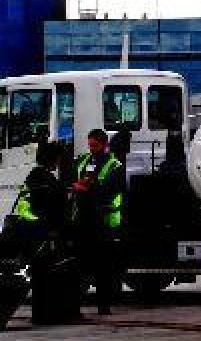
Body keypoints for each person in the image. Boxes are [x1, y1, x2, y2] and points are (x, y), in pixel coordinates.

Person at [12, 141, 80, 324]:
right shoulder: (46, 180)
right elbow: (52, 207)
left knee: (40, 274)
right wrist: (53, 230)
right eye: (58, 158)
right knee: (46, 273)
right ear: (54, 158)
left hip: (30, 230)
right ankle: (46, 314)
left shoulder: (34, 176)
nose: (59, 162)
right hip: (42, 232)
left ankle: (42, 314)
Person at [69, 129, 125, 316]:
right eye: (90, 145)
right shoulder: (83, 161)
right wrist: (80, 186)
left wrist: (86, 187)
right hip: (83, 221)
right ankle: (75, 305)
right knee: (80, 265)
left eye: (95, 145)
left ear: (104, 144)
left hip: (104, 223)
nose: (91, 149)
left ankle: (104, 305)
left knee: (104, 267)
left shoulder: (114, 165)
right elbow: (72, 181)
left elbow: (109, 188)